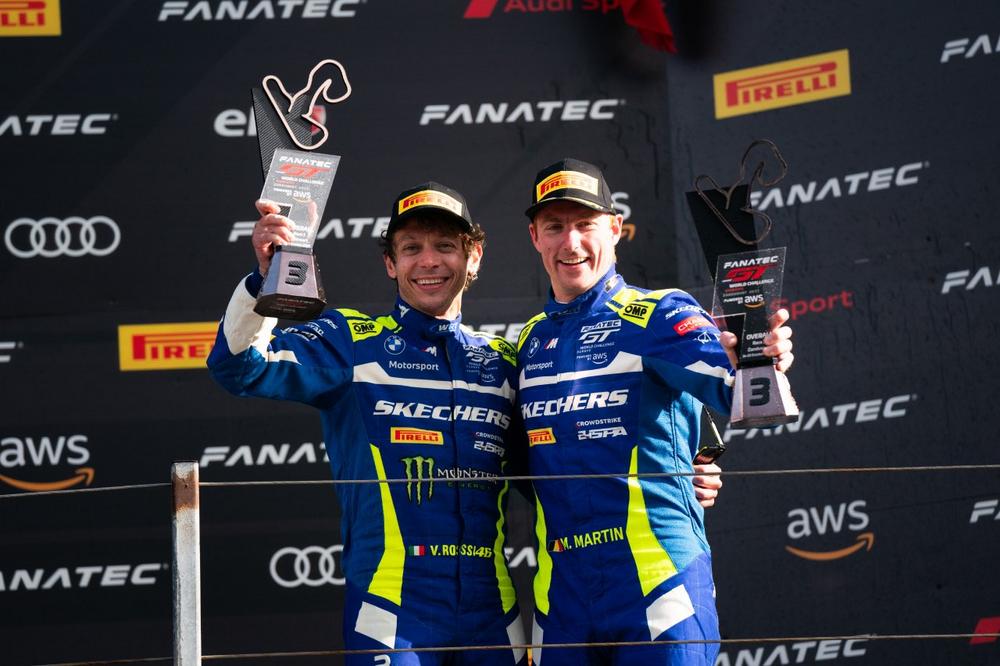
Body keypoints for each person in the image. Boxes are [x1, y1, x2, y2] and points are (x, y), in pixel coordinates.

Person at [207, 182, 529, 665]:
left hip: (494, 611)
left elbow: (556, 467)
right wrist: (265, 280)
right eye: (411, 248)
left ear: (474, 257)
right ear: (390, 263)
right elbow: (238, 367)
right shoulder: (352, 342)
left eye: (445, 245)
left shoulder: (502, 360)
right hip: (392, 608)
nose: (429, 261)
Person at [515, 158, 794, 665]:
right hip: (562, 598)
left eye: (586, 224)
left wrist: (760, 356)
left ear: (615, 228)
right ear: (535, 237)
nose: (570, 242)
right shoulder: (528, 342)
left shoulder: (662, 313)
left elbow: (746, 392)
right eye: (554, 227)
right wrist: (697, 460)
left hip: (657, 580)